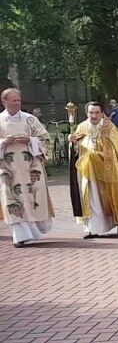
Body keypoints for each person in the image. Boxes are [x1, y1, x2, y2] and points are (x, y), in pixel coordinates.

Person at [68, 102, 118, 238]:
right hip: (88, 171)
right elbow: (76, 150)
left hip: (107, 170)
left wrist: (102, 154)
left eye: (97, 113)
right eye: (91, 113)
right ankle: (91, 229)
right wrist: (73, 143)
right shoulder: (82, 127)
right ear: (87, 113)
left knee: (111, 196)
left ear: (102, 113)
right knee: (90, 198)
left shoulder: (109, 127)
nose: (94, 116)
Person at [0, 88, 53, 247]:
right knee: (12, 199)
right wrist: (3, 142)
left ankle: (34, 231)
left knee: (34, 196)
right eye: (13, 100)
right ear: (4, 102)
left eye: (19, 100)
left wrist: (30, 140)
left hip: (31, 167)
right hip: (8, 168)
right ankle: (20, 236)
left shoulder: (30, 119)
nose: (17, 103)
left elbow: (45, 139)